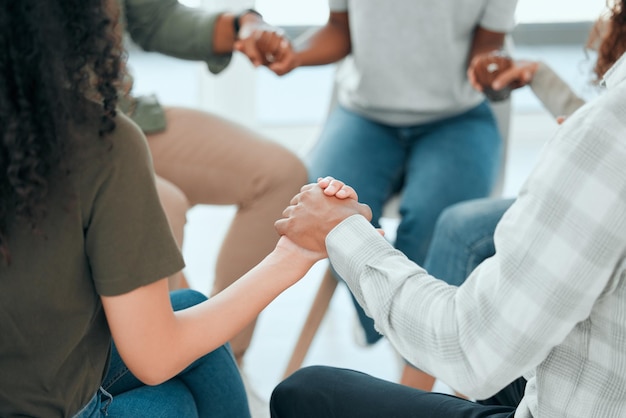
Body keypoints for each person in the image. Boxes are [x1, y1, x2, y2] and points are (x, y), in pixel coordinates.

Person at [270, 43, 626, 414]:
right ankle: (392, 328)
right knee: (464, 236)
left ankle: (396, 338)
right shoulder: (604, 124)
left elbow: (469, 349)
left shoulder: (609, 130)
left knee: (303, 392)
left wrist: (346, 234)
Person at [0, 1, 318, 416]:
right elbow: (155, 360)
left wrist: (240, 25)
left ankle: (220, 350)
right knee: (174, 396)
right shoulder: (103, 148)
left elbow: (156, 17)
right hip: (74, 133)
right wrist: (293, 256)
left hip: (108, 117)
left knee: (191, 310)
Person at [256, 0, 519, 389]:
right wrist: (295, 53)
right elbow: (340, 29)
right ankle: (381, 323)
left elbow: (489, 43)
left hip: (457, 119)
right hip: (363, 115)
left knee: (437, 229)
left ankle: (409, 370)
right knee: (325, 212)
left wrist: (491, 66)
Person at [117, 0, 309, 376]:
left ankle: (221, 359)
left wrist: (242, 26)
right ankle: (157, 374)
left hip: (124, 115)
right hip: (45, 139)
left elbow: (153, 18)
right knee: (162, 204)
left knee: (280, 172)